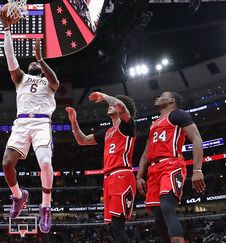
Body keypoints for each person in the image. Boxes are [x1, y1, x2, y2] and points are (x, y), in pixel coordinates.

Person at [0, 7, 60, 234]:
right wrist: (6, 29)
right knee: (6, 163)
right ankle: (19, 196)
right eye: (33, 64)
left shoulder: (48, 83)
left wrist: (41, 60)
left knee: (45, 162)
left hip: (42, 123)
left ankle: (46, 206)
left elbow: (56, 81)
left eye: (38, 66)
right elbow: (10, 58)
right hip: (22, 123)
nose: (34, 65)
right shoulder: (21, 78)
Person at [66, 92, 137, 242]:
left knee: (118, 227)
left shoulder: (127, 125)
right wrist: (74, 122)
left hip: (122, 175)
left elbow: (121, 106)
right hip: (108, 179)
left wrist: (104, 96)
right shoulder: (107, 132)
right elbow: (83, 140)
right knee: (113, 227)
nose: (109, 106)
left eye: (113, 104)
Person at [136, 91, 206, 243]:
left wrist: (197, 169)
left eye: (162, 95)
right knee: (158, 216)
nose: (157, 97)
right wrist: (139, 176)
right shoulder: (153, 123)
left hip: (171, 164)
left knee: (167, 206)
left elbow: (196, 138)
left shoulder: (178, 115)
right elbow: (146, 152)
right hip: (153, 170)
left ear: (171, 100)